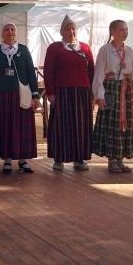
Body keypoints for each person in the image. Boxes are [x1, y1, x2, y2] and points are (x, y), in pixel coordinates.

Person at [0, 22, 41, 173]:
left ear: (16, 33)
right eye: (7, 29)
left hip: (20, 96)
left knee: (22, 128)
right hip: (1, 97)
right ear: (2, 34)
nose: (10, 32)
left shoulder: (23, 50)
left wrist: (35, 96)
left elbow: (30, 73)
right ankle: (7, 159)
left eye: (12, 29)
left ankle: (23, 160)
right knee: (5, 128)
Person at [43, 15, 95, 171]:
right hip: (62, 92)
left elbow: (92, 71)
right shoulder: (55, 48)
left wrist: (92, 93)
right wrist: (51, 93)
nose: (71, 31)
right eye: (67, 28)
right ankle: (59, 158)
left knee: (81, 126)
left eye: (73, 28)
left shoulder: (85, 48)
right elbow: (48, 71)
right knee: (61, 126)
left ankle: (79, 159)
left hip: (82, 93)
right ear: (61, 31)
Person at [91, 20, 133, 173]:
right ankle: (111, 160)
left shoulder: (130, 50)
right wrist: (99, 94)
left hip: (127, 90)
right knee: (112, 124)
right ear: (112, 31)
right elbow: (99, 73)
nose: (125, 32)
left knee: (125, 123)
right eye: (121, 30)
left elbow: (132, 73)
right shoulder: (105, 50)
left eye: (126, 30)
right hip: (111, 89)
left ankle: (120, 158)